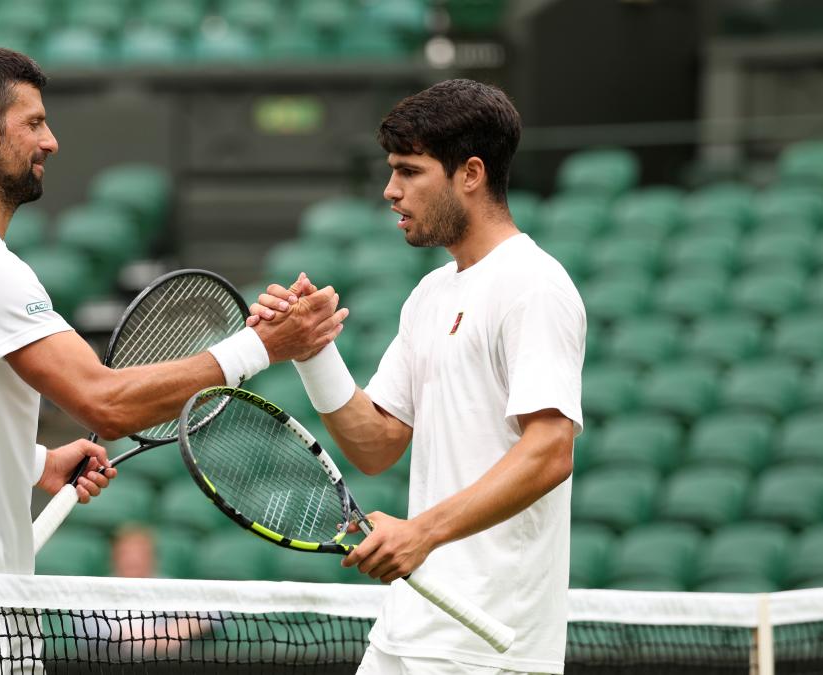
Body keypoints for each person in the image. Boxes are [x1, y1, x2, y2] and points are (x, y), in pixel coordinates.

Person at [0, 45, 346, 674]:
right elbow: (107, 402)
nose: (51, 141)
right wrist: (264, 347)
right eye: (33, 122)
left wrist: (38, 462)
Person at [249, 79, 585, 675]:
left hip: (488, 646)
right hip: (406, 631)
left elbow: (551, 450)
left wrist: (421, 534)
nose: (390, 190)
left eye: (409, 171)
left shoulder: (534, 285)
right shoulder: (431, 293)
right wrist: (310, 350)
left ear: (471, 174)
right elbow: (375, 446)